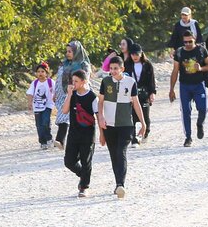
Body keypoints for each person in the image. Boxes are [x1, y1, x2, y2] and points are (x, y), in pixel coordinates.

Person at [97, 59, 146, 198]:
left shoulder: (130, 82)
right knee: (113, 155)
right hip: (109, 124)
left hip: (126, 124)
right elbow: (100, 101)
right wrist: (100, 117)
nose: (112, 71)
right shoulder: (105, 82)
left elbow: (135, 102)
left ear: (122, 68)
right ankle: (118, 183)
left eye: (115, 68)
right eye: (111, 68)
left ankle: (121, 184)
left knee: (121, 151)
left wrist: (143, 123)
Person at [168, 32, 208, 146]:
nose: (188, 44)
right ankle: (188, 137)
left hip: (199, 84)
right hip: (185, 86)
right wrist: (171, 89)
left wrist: (201, 68)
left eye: (190, 41)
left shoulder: (201, 50)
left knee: (203, 109)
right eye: (185, 42)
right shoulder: (179, 52)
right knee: (185, 111)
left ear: (195, 40)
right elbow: (175, 71)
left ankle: (200, 124)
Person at [61, 70, 98, 198]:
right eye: (73, 81)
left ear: (84, 81)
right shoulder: (73, 95)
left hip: (88, 134)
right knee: (69, 161)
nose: (74, 83)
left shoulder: (92, 97)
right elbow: (64, 111)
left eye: (76, 81)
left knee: (85, 160)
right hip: (73, 133)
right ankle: (84, 176)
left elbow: (98, 116)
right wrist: (69, 95)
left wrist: (103, 134)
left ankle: (84, 187)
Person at [53, 41, 90, 149]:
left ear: (77, 52)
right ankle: (61, 141)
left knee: (70, 117)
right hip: (62, 94)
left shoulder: (83, 64)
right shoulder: (63, 64)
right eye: (67, 51)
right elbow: (58, 79)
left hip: (76, 93)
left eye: (70, 51)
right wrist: (55, 92)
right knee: (63, 116)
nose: (67, 54)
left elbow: (85, 79)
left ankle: (62, 140)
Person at [124, 42, 156, 144]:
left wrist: (152, 93)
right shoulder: (127, 65)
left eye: (137, 54)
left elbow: (151, 80)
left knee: (145, 115)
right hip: (131, 94)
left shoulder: (147, 65)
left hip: (144, 93)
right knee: (132, 116)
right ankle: (134, 138)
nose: (135, 56)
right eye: (132, 54)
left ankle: (146, 131)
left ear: (141, 53)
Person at [26, 62, 56, 150]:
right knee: (39, 125)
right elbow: (30, 93)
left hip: (48, 105)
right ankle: (43, 142)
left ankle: (49, 138)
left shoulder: (50, 82)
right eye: (38, 71)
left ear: (46, 73)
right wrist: (29, 103)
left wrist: (55, 97)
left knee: (45, 121)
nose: (40, 73)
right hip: (37, 106)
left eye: (42, 71)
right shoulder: (34, 83)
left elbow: (56, 91)